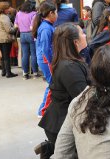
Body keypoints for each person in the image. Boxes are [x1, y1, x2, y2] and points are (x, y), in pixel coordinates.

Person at [35, 22, 90, 159]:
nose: (85, 35)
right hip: (62, 124)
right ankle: (50, 149)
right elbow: (84, 99)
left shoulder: (69, 62)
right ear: (76, 42)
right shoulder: (69, 67)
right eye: (82, 33)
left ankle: (49, 148)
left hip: (62, 120)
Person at [32, 1, 57, 117]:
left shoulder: (46, 26)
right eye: (56, 12)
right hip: (46, 61)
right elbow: (46, 49)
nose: (57, 15)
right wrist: (52, 62)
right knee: (52, 84)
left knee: (52, 83)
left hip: (45, 60)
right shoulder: (46, 28)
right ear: (51, 13)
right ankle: (42, 110)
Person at [14, 0, 39, 79]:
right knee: (34, 54)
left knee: (25, 54)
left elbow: (15, 26)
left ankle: (25, 74)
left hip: (22, 35)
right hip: (31, 34)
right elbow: (32, 27)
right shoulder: (34, 14)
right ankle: (35, 73)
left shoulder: (18, 13)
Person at [0, 2, 18, 78]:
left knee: (3, 56)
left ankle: (3, 71)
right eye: (7, 8)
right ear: (3, 9)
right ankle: (8, 73)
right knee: (6, 56)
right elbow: (9, 30)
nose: (9, 9)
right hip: (5, 39)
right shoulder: (5, 17)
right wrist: (16, 27)